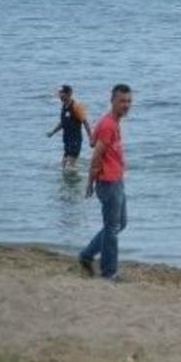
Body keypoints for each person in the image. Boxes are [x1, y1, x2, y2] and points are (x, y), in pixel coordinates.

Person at [78, 84, 133, 280]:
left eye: (129, 101)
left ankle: (86, 255)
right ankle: (109, 272)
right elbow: (96, 155)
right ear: (113, 101)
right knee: (112, 228)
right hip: (108, 182)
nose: (126, 105)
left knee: (120, 224)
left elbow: (93, 140)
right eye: (122, 101)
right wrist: (90, 183)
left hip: (116, 180)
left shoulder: (110, 121)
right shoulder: (109, 124)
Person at [48, 85, 94, 173]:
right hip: (67, 140)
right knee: (63, 165)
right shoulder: (64, 107)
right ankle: (66, 185)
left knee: (70, 167)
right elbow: (63, 123)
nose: (60, 95)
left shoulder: (76, 107)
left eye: (62, 93)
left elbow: (85, 123)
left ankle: (74, 183)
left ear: (69, 94)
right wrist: (52, 132)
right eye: (60, 93)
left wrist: (91, 138)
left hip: (75, 140)